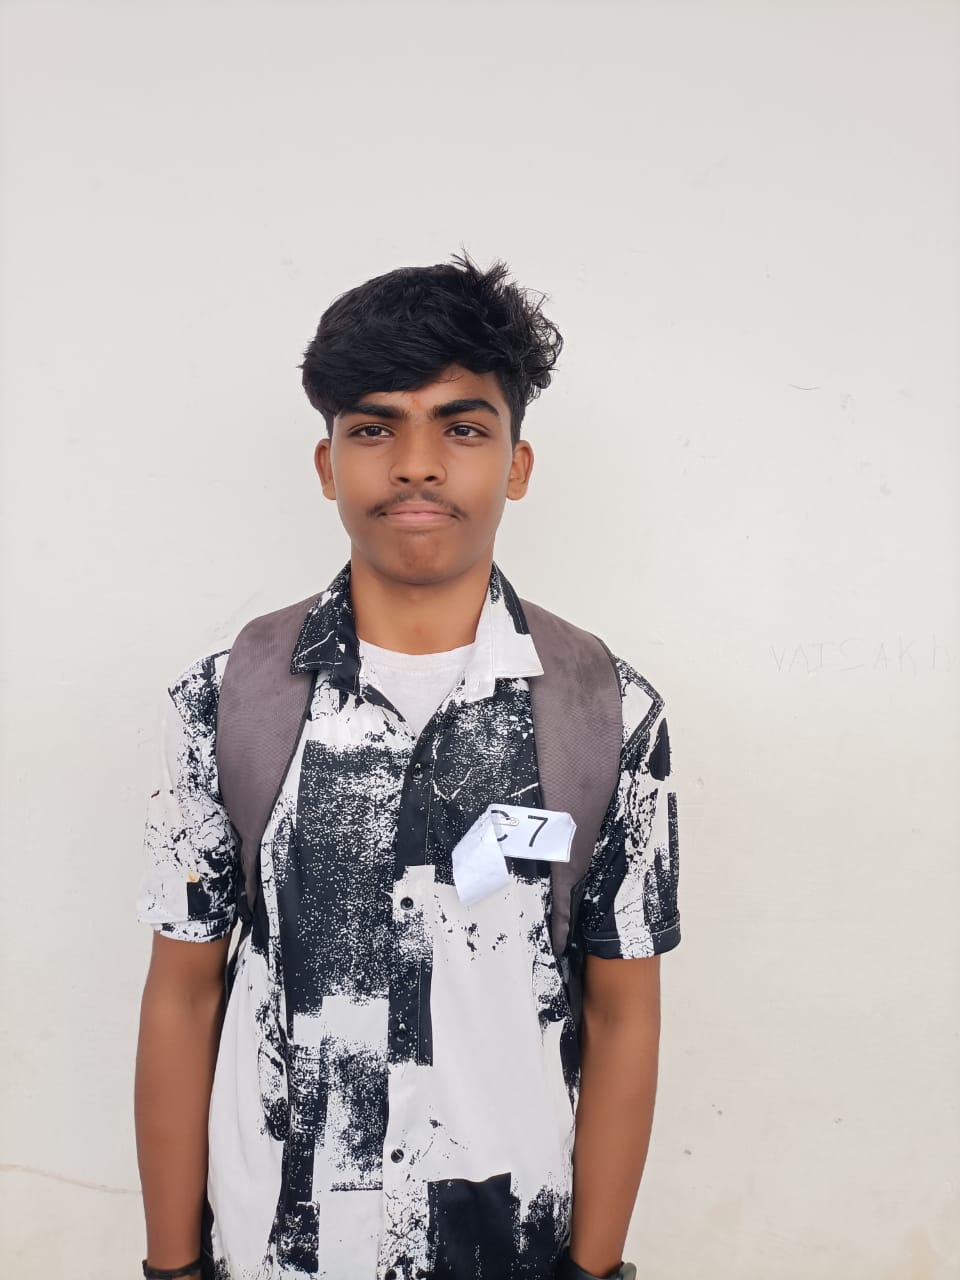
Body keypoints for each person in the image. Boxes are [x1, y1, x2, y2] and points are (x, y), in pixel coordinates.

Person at [134, 252, 680, 1280]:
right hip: (278, 1246)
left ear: (516, 463)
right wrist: (172, 1267)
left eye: (462, 428)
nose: (418, 464)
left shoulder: (608, 710)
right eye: (375, 428)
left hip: (508, 1243)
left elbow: (623, 1011)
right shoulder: (223, 698)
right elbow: (183, 992)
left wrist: (594, 1269)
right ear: (327, 462)